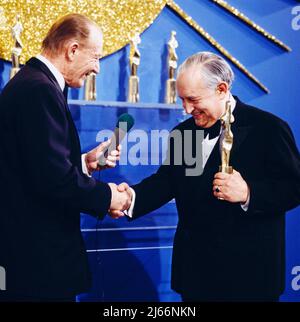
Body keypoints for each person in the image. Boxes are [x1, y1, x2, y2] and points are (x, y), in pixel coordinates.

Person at [113, 52, 300, 301]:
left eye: (193, 99)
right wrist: (130, 199)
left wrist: (248, 193)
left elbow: (293, 187)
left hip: (249, 278)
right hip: (195, 276)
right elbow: (167, 181)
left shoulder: (268, 128)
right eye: (182, 100)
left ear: (222, 89)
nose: (187, 109)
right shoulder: (184, 132)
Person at [0, 13, 131, 301]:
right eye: (95, 57)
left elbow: (37, 165)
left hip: (30, 261)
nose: (97, 68)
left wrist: (86, 163)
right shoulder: (39, 90)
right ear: (72, 50)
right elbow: (53, 179)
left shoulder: (35, 83)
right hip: (36, 265)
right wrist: (110, 197)